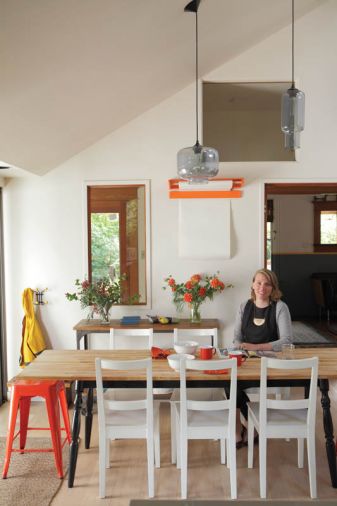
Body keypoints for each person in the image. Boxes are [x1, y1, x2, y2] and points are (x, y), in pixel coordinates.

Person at [232, 268, 293, 448]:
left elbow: (287, 341)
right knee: (230, 380)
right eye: (259, 283)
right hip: (247, 362)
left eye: (267, 284)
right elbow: (236, 338)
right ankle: (241, 427)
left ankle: (248, 426)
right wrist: (240, 348)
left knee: (234, 383)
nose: (262, 287)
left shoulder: (280, 307)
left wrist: (255, 347)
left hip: (272, 365)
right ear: (253, 284)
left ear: (273, 287)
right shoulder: (244, 306)